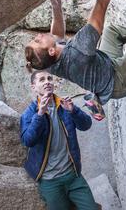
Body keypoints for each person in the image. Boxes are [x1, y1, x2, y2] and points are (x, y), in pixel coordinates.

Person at [20, 70, 97, 210]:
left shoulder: (63, 105)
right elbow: (27, 141)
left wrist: (73, 111)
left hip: (73, 176)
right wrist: (40, 114)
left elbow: (86, 125)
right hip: (50, 182)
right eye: (42, 80)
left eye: (49, 78)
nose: (47, 81)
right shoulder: (29, 113)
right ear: (33, 87)